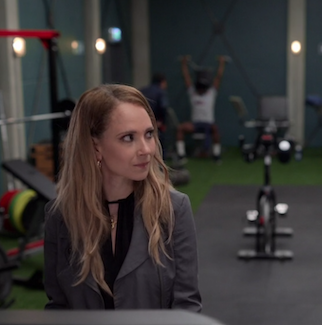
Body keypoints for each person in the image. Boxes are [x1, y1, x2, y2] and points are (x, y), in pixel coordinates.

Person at [43, 84, 203, 311]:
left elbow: (187, 309)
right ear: (95, 146)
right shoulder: (60, 217)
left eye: (149, 134)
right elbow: (58, 308)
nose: (146, 149)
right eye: (128, 137)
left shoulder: (174, 209)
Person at [176, 55, 227, 163]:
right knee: (181, 128)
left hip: (208, 124)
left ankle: (216, 156)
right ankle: (181, 155)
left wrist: (222, 63)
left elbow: (218, 77)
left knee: (215, 129)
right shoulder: (193, 94)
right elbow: (186, 77)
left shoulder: (211, 93)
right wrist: (184, 64)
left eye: (203, 87)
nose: (201, 89)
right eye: (199, 87)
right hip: (195, 124)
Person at [139, 72, 169, 158]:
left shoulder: (142, 91)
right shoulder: (160, 92)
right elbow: (163, 107)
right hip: (155, 122)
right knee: (158, 143)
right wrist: (161, 121)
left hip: (140, 121)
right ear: (162, 82)